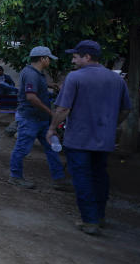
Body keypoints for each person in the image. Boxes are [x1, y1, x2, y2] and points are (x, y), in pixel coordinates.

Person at [47, 40, 130, 235]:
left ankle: (90, 220)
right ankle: (99, 216)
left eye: (76, 56)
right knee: (100, 176)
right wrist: (111, 125)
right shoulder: (117, 79)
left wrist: (52, 128)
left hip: (79, 139)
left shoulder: (75, 78)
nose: (73, 60)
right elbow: (126, 109)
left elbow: (63, 108)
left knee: (82, 177)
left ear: (87, 57)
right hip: (104, 140)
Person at [8, 46, 71, 190]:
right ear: (42, 59)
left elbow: (34, 86)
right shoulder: (31, 74)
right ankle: (15, 177)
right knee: (22, 149)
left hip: (39, 119)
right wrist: (51, 113)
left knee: (51, 148)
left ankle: (59, 179)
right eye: (48, 58)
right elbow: (31, 97)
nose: (50, 61)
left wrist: (50, 85)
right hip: (30, 118)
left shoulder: (36, 73)